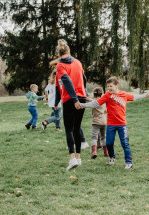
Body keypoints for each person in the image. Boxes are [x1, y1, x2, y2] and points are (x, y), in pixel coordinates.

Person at [78, 77, 148, 169]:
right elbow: (96, 103)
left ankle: (129, 162)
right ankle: (111, 157)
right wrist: (82, 105)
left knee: (125, 143)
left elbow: (135, 97)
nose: (109, 88)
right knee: (109, 143)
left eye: (111, 86)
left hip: (122, 124)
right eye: (108, 86)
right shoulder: (107, 95)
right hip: (111, 124)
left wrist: (146, 95)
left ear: (117, 86)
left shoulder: (124, 95)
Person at [53, 39, 88, 170]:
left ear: (58, 54)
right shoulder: (78, 62)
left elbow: (66, 82)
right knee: (77, 127)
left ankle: (72, 158)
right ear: (69, 51)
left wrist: (74, 100)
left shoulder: (60, 66)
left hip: (70, 100)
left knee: (69, 129)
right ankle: (79, 158)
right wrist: (84, 94)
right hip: (82, 98)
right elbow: (84, 78)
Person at [88, 87, 108, 159]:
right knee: (104, 137)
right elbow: (106, 110)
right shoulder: (103, 101)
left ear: (94, 94)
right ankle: (106, 152)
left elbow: (88, 100)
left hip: (96, 122)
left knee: (94, 137)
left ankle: (94, 152)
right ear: (101, 94)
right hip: (103, 121)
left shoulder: (93, 102)